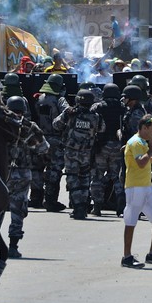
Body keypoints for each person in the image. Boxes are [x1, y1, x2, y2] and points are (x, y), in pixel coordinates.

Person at [0, 96, 49, 258]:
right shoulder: (29, 126)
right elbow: (43, 148)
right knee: (18, 210)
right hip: (22, 174)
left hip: (0, 172)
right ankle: (13, 247)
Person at [121, 114, 152, 269]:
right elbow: (141, 163)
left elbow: (144, 159)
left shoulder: (142, 142)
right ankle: (127, 256)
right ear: (143, 128)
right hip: (135, 187)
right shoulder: (136, 142)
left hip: (146, 186)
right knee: (131, 221)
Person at [53, 89, 106, 220]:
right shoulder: (96, 117)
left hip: (71, 152)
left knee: (72, 178)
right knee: (84, 179)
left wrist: (67, 114)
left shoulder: (70, 113)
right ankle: (82, 206)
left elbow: (56, 125)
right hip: (86, 153)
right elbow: (102, 128)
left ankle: (78, 207)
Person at [34, 74, 70, 212]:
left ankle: (36, 198)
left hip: (40, 138)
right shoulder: (59, 99)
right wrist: (60, 125)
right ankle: (50, 200)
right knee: (54, 170)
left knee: (37, 169)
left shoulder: (39, 99)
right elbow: (67, 111)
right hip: (55, 139)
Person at [90, 83, 125, 216]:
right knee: (117, 176)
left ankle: (97, 206)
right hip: (117, 145)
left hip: (101, 145)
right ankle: (120, 202)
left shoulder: (97, 106)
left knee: (97, 176)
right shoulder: (123, 107)